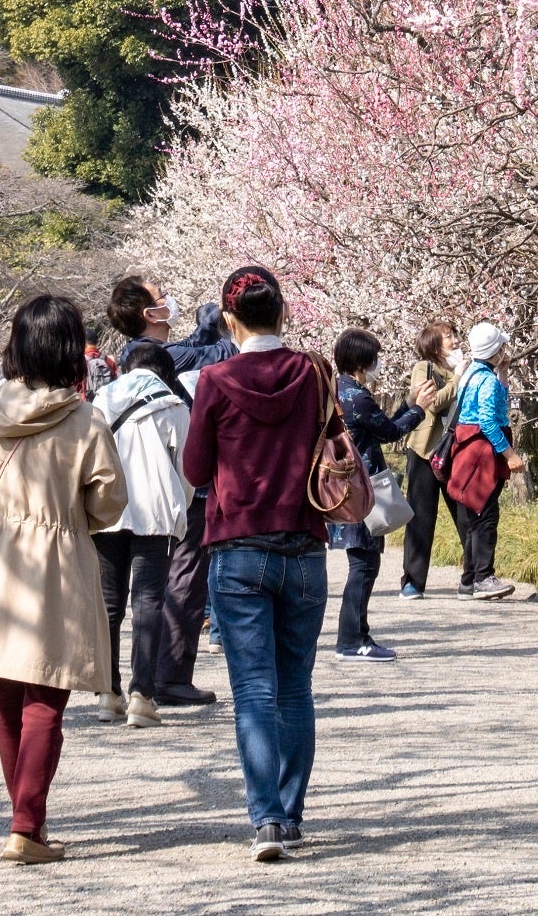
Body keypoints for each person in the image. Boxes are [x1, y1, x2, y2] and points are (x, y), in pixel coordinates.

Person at [0, 295, 127, 865]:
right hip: (58, 560)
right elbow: (109, 502)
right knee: (46, 697)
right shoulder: (85, 420)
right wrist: (69, 516)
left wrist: (4, 515)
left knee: (7, 699)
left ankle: (25, 822)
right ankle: (27, 825)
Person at [181, 264, 342, 862]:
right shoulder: (313, 372)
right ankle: (292, 814)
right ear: (285, 313)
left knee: (253, 689)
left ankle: (266, 821)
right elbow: (335, 440)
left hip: (238, 546)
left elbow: (195, 469)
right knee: (295, 687)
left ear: (229, 320)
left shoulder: (215, 380)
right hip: (303, 543)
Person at [92, 278, 197, 727]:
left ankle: (107, 692)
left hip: (109, 510)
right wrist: (180, 508)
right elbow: (186, 470)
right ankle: (142, 695)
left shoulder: (101, 400)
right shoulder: (173, 405)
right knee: (149, 600)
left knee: (109, 603)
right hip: (155, 513)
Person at [141, 289, 235, 708]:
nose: (168, 302)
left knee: (146, 586)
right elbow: (213, 354)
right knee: (184, 577)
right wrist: (217, 331)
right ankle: (170, 676)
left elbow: (196, 351)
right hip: (182, 489)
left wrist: (206, 329)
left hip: (148, 492)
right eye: (159, 298)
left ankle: (132, 683)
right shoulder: (156, 354)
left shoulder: (142, 356)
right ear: (146, 312)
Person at [329, 329, 441, 660]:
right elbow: (390, 432)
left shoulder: (339, 391)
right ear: (363, 361)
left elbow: (377, 428)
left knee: (363, 563)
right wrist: (418, 409)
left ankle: (358, 635)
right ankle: (351, 640)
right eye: (375, 358)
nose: (378, 364)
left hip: (345, 489)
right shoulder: (358, 397)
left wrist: (408, 403)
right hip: (361, 491)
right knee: (364, 565)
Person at [438, 321, 522, 600]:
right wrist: (509, 455)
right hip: (482, 452)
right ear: (494, 350)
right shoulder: (485, 379)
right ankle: (483, 578)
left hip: (467, 451)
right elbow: (488, 420)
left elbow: (498, 402)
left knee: (474, 516)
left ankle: (468, 580)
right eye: (501, 347)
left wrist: (503, 371)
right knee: (485, 516)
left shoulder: (472, 372)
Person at [393, 317, 458, 601]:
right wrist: (459, 377)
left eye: (454, 334)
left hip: (455, 450)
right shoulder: (424, 368)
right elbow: (433, 403)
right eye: (448, 336)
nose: (455, 340)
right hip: (425, 451)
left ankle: (477, 575)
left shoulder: (462, 369)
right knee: (421, 516)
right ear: (434, 345)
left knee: (466, 511)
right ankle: (412, 582)